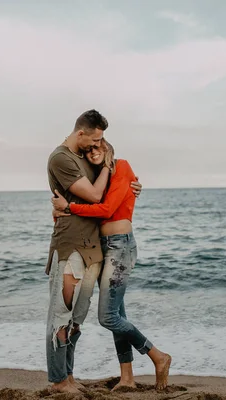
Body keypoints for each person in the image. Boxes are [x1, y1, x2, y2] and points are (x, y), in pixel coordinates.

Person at [52, 138, 172, 391]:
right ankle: (127, 377)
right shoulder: (97, 177)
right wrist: (59, 209)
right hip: (101, 247)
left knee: (107, 317)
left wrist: (69, 208)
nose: (93, 152)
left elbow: (106, 210)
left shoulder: (122, 166)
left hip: (120, 245)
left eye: (97, 147)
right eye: (88, 150)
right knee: (118, 314)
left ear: (107, 149)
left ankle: (157, 356)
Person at [45, 110, 141, 393]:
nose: (96, 145)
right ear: (81, 133)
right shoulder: (61, 157)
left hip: (93, 249)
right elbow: (96, 197)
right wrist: (112, 170)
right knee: (60, 315)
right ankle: (59, 380)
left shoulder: (88, 160)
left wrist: (131, 182)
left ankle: (69, 376)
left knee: (76, 320)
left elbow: (110, 198)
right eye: (94, 139)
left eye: (102, 141)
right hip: (70, 247)